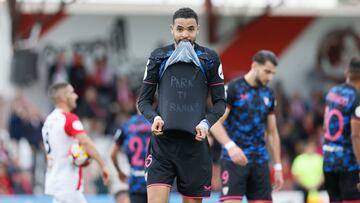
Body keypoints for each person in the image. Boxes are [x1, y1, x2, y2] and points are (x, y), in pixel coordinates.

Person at [137, 7, 226, 203]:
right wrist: (155, 118)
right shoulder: (158, 56)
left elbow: (220, 102)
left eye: (190, 29)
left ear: (198, 30)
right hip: (162, 145)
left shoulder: (210, 58)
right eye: (180, 29)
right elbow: (143, 101)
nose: (185, 35)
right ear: (172, 29)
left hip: (195, 146)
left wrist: (206, 124)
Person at [210, 50, 284, 203]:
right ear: (255, 65)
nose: (270, 77)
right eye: (267, 71)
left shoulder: (269, 94)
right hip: (234, 161)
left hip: (260, 162)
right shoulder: (233, 88)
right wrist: (231, 147)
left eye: (273, 73)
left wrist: (277, 166)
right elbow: (214, 122)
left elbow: (272, 132)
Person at [42, 82, 110, 203]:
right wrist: (103, 165)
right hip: (68, 182)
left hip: (55, 179)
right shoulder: (69, 118)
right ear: (63, 97)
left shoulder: (48, 121)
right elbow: (86, 142)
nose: (76, 96)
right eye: (72, 93)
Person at [322, 57, 360, 202]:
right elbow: (356, 136)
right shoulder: (357, 98)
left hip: (329, 161)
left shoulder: (332, 92)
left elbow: (325, 126)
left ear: (347, 73)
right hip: (349, 164)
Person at [110, 110, 152, 203]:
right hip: (156, 180)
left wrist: (119, 172)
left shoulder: (126, 125)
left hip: (136, 181)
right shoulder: (158, 124)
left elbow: (112, 154)